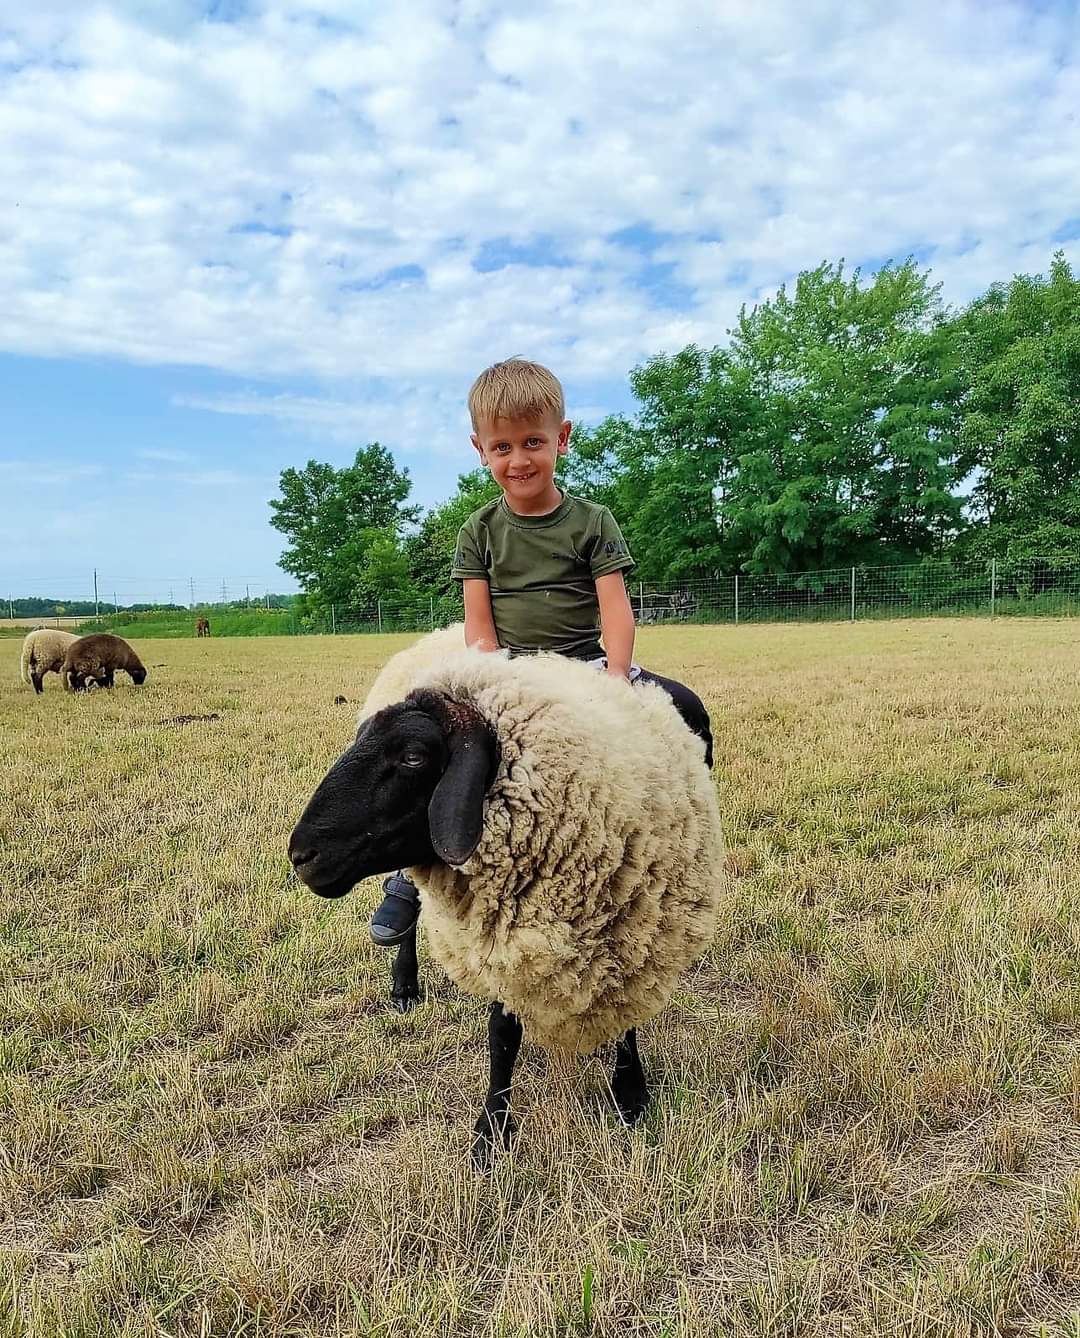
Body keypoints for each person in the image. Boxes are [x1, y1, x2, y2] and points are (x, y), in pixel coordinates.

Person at [370, 358, 712, 946]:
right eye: (502, 447)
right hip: (508, 670)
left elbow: (615, 609)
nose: (519, 459)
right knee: (426, 747)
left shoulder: (592, 522)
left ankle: (685, 829)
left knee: (686, 707)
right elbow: (479, 627)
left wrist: (617, 677)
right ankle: (406, 879)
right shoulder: (479, 531)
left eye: (533, 441)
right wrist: (494, 687)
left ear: (562, 438)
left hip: (584, 664)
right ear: (480, 450)